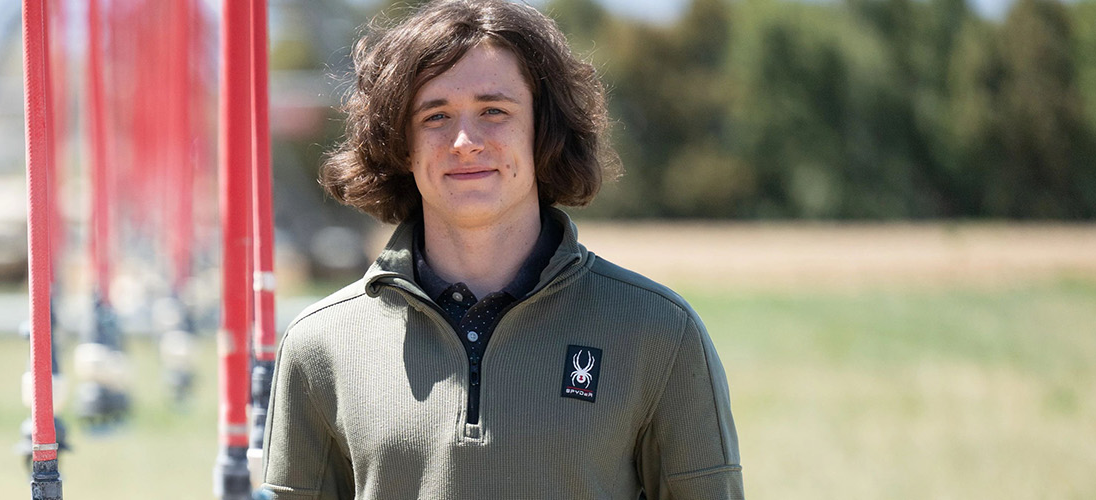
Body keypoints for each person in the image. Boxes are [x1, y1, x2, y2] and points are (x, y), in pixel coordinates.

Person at [260, 1, 742, 498]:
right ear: (402, 144)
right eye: (435, 116)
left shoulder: (659, 332)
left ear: (542, 131)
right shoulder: (319, 346)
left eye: (494, 111)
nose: (465, 140)